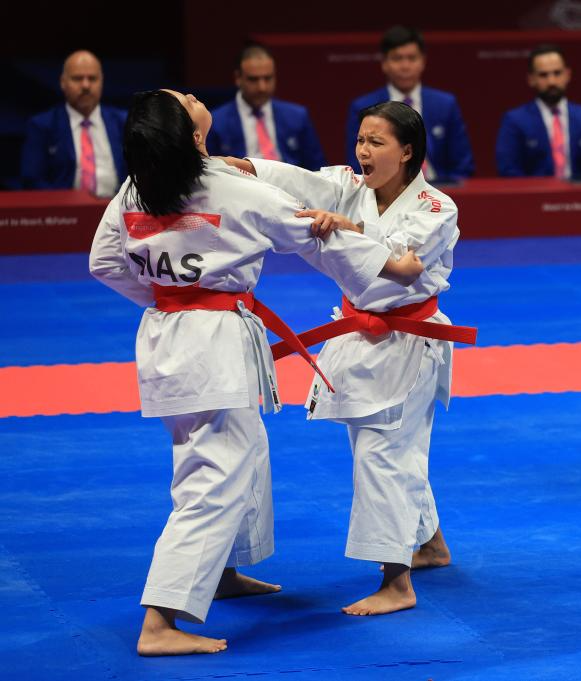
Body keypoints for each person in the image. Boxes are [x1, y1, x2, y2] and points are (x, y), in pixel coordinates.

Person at [89, 89, 421, 655]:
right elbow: (314, 232)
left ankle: (222, 572)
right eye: (184, 99)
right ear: (194, 134)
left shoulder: (134, 189)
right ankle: (160, 619)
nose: (192, 93)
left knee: (238, 449)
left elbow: (103, 262)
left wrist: (172, 294)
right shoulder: (230, 189)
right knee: (214, 477)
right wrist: (391, 264)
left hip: (164, 337)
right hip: (212, 343)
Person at [226, 100, 472, 616]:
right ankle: (430, 544)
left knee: (383, 453)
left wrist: (347, 230)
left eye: (376, 142)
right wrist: (242, 168)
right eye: (360, 139)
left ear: (406, 152)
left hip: (410, 341)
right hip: (361, 334)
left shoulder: (437, 207)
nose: (363, 150)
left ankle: (397, 582)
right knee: (389, 445)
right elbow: (295, 180)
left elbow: (402, 262)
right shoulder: (348, 186)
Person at [345, 25, 474, 182]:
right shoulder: (363, 107)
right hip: (385, 190)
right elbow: (358, 164)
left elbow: (463, 166)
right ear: (384, 63)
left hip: (439, 188)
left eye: (412, 58)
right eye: (397, 58)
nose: (405, 66)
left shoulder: (446, 104)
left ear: (423, 62)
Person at [495, 43, 581, 178]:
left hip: (580, 191)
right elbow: (509, 169)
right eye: (543, 75)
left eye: (557, 73)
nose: (551, 82)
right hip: (533, 190)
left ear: (567, 75)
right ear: (531, 79)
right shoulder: (515, 121)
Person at [20, 50, 127, 196]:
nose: (86, 85)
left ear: (102, 81)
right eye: (77, 78)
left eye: (92, 78)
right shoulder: (42, 126)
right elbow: (32, 182)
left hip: (118, 206)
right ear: (63, 82)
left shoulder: (124, 122)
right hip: (64, 208)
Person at [206, 44, 327, 170]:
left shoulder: (297, 116)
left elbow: (317, 168)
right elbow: (210, 171)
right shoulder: (215, 122)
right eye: (253, 79)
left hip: (288, 181)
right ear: (238, 78)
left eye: (268, 78)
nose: (262, 87)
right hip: (241, 181)